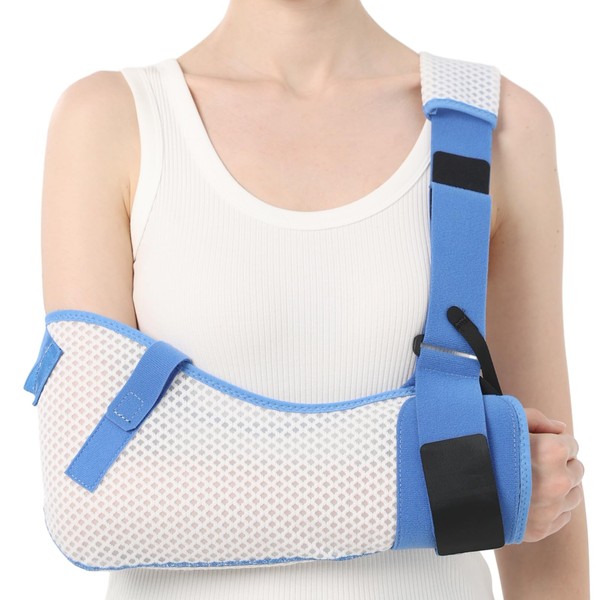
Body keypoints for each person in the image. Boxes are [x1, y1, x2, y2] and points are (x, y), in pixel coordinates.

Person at [39, 0, 589, 598]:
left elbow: (546, 500)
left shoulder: (500, 125)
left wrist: (500, 476)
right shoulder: (112, 119)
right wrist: (459, 484)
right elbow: (89, 492)